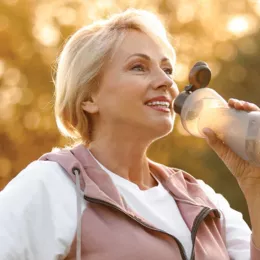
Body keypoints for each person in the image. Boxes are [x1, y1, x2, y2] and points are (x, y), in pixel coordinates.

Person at [0, 8, 260, 260]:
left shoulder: (201, 198)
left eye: (167, 70)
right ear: (89, 97)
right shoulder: (53, 185)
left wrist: (254, 184)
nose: (167, 82)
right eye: (138, 67)